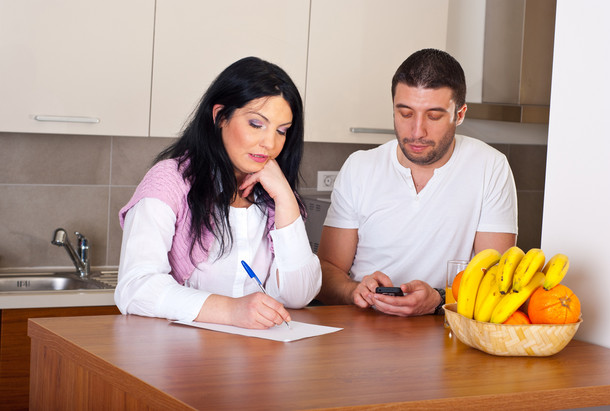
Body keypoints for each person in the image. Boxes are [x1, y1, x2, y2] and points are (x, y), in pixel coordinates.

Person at [115, 57, 321, 329]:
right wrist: (231, 310)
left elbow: (299, 296)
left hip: (258, 359)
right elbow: (135, 287)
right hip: (181, 359)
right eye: (256, 124)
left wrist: (285, 197)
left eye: (281, 131)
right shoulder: (169, 181)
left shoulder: (271, 196)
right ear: (220, 116)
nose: (270, 144)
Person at [316, 48, 517, 316]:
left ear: (460, 114)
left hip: (445, 333)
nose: (417, 131)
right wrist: (354, 291)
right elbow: (326, 273)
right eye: (406, 114)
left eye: (433, 116)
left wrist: (437, 299)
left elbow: (496, 281)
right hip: (362, 329)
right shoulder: (360, 167)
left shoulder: (491, 167)